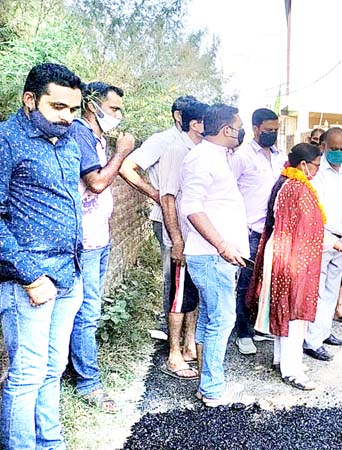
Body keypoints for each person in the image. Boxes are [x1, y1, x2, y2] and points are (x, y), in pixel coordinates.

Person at [0, 63, 84, 450]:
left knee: (53, 369)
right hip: (29, 283)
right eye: (58, 107)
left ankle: (49, 442)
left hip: (69, 276)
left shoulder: (67, 142)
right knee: (27, 375)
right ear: (29, 100)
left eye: (73, 109)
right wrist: (31, 275)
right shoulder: (6, 140)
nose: (67, 117)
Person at [179, 103, 254, 407]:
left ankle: (207, 383)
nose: (240, 132)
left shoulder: (215, 156)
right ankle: (212, 388)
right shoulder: (201, 159)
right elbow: (192, 208)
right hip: (212, 256)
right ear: (226, 130)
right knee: (222, 320)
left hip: (213, 256)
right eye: (237, 127)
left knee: (210, 318)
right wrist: (223, 245)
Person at [68, 81, 136, 414]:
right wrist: (121, 151)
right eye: (114, 109)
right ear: (92, 105)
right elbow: (96, 182)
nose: (118, 115)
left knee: (86, 308)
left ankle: (81, 372)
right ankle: (87, 384)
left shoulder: (95, 137)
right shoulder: (80, 133)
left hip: (99, 237)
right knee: (86, 311)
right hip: (86, 241)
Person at [269, 143, 342, 389]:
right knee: (295, 314)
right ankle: (293, 372)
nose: (318, 170)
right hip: (296, 258)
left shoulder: (286, 183)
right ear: (304, 165)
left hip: (284, 254)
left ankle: (281, 360)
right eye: (317, 165)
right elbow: (312, 231)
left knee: (284, 308)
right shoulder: (300, 189)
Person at [120, 95, 197, 321]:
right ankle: (171, 333)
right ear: (178, 116)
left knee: (190, 276)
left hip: (190, 219)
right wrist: (154, 193)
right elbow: (127, 168)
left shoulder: (196, 142)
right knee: (173, 274)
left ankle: (188, 337)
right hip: (167, 216)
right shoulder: (163, 141)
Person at [157, 99, 208, 381]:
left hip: (198, 241)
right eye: (206, 121)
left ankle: (189, 346)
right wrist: (177, 240)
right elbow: (167, 198)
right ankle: (173, 354)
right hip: (183, 239)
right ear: (195, 124)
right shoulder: (177, 151)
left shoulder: (200, 151)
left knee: (192, 295)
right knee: (178, 298)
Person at [229, 108, 286, 355]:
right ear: (255, 128)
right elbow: (228, 192)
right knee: (245, 282)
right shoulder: (241, 156)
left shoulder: (280, 156)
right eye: (268, 130)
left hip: (273, 230)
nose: (272, 134)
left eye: (276, 130)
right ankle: (242, 332)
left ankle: (257, 326)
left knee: (265, 282)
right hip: (249, 230)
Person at [303, 128, 342, 361]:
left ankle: (324, 332)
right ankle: (311, 341)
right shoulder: (317, 174)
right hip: (322, 239)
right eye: (334, 149)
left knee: (331, 289)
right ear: (323, 147)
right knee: (316, 291)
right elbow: (320, 213)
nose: (339, 153)